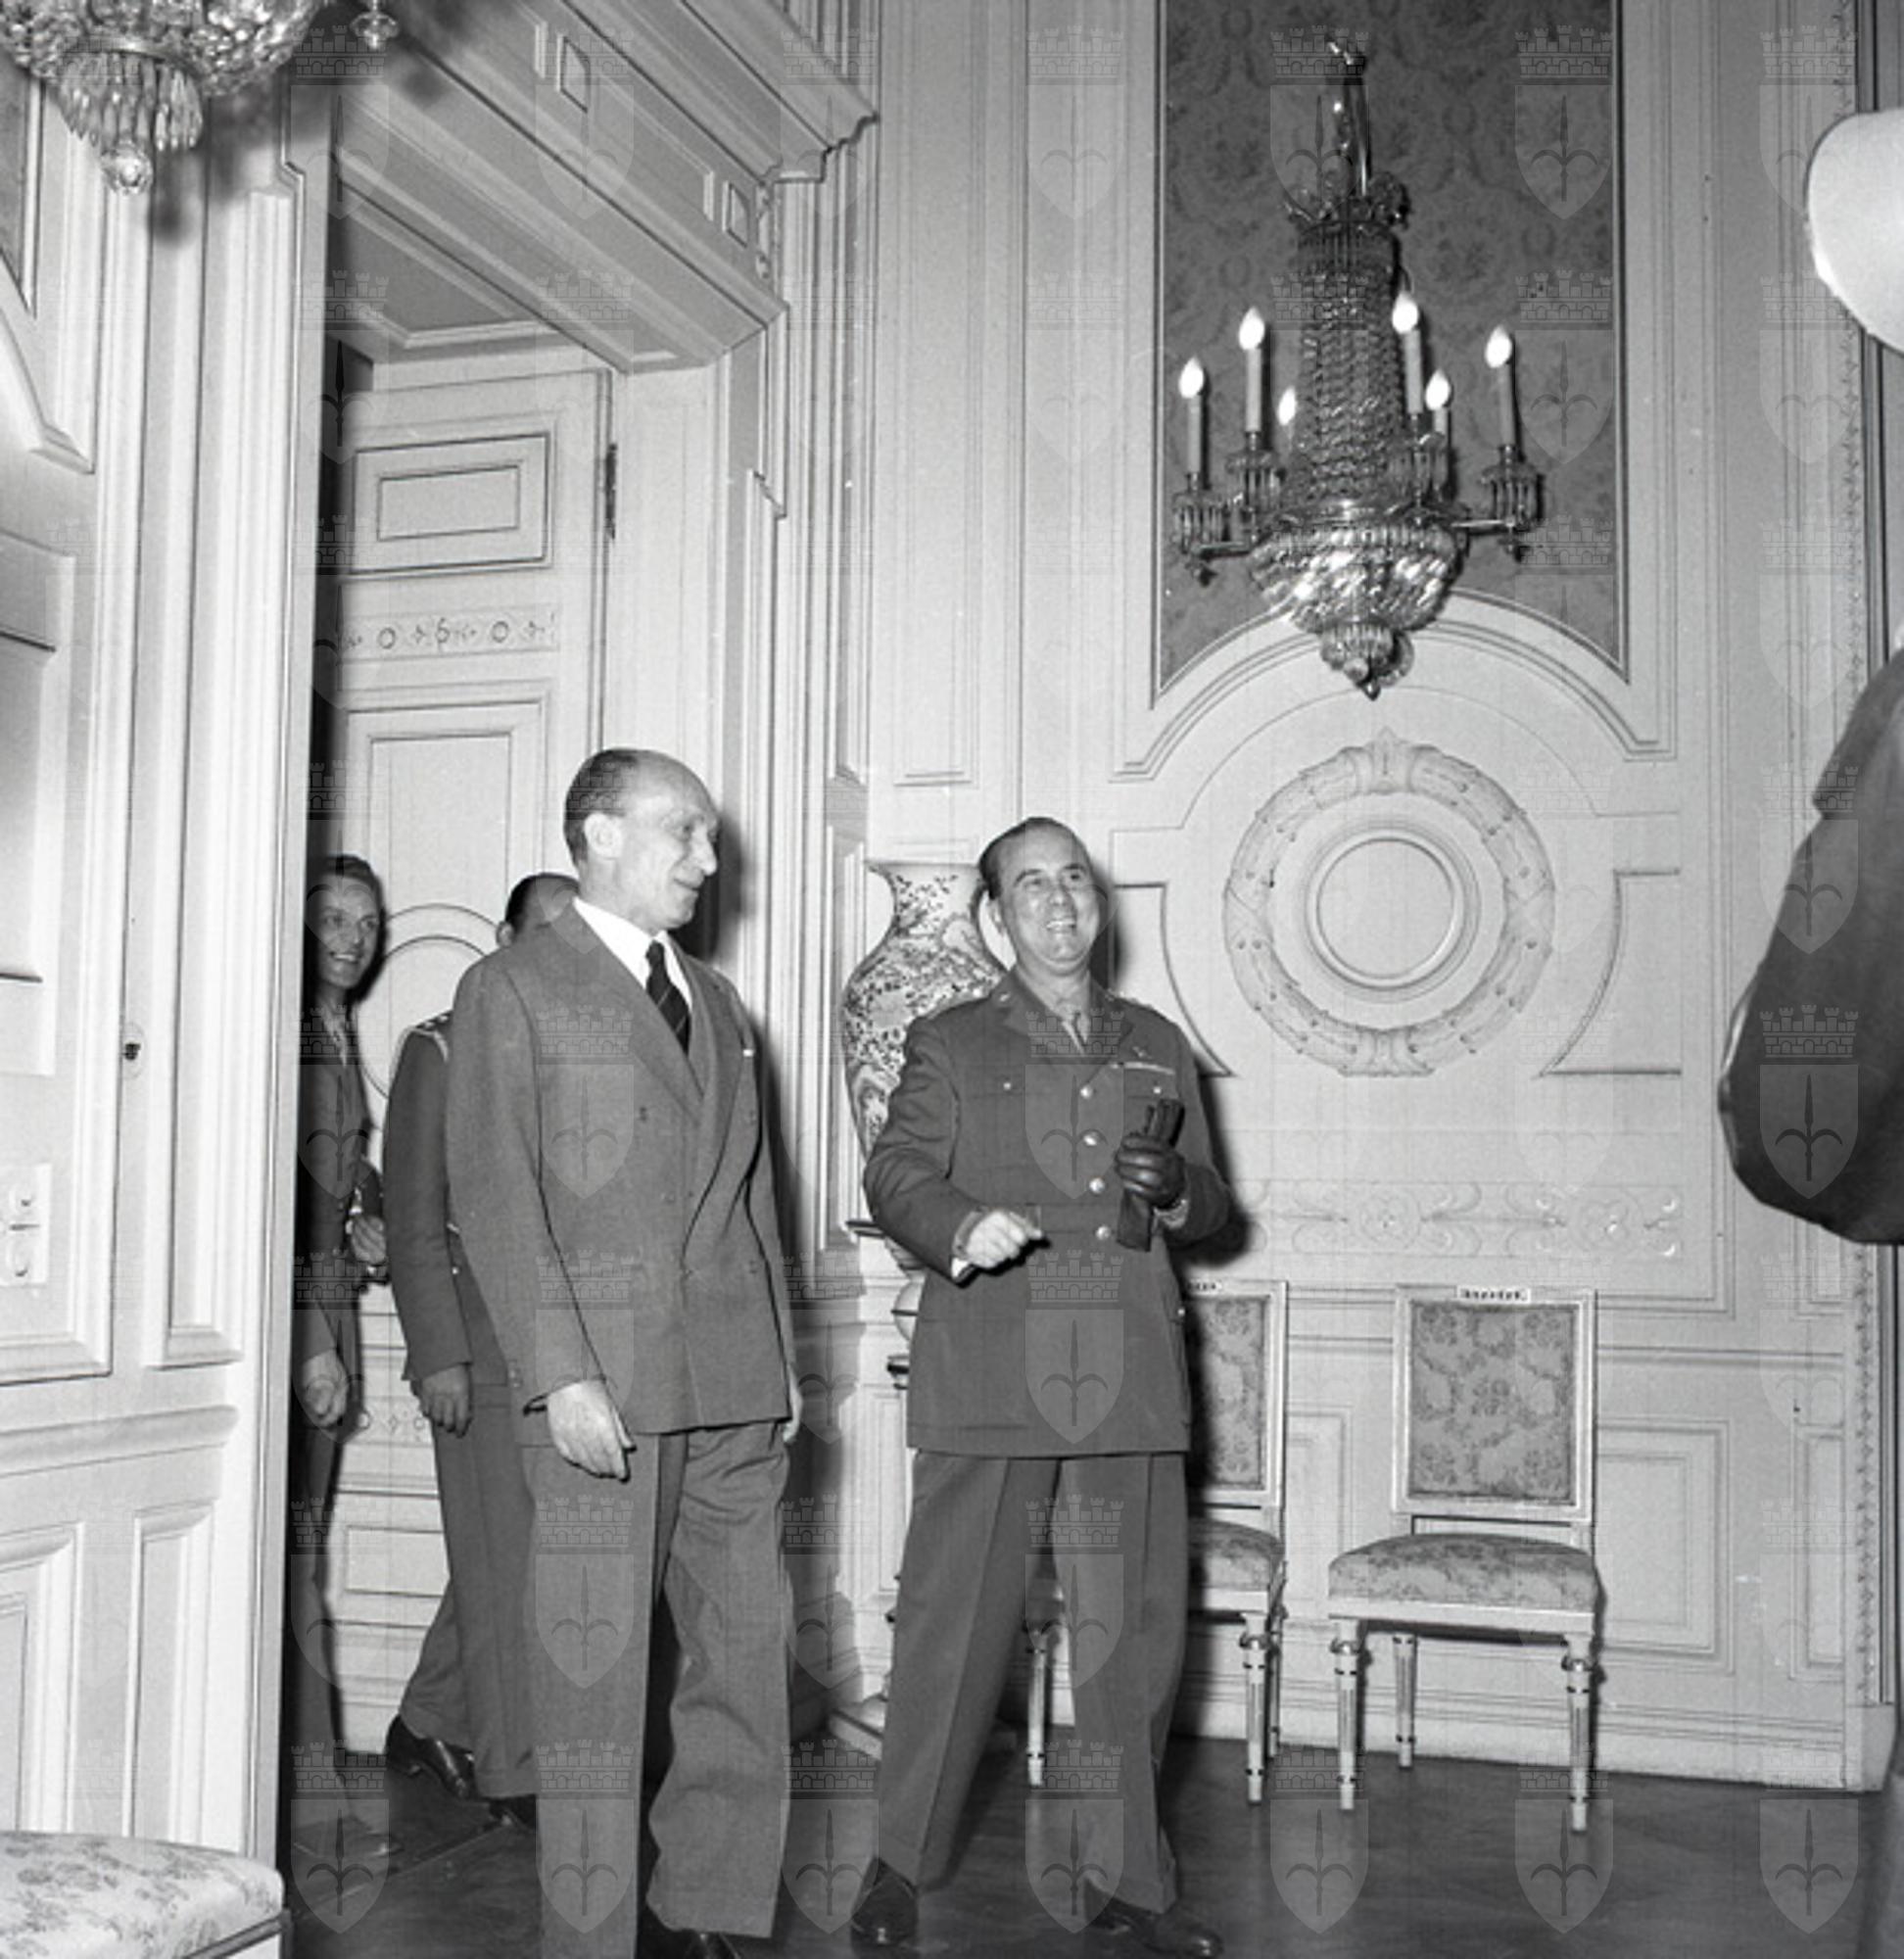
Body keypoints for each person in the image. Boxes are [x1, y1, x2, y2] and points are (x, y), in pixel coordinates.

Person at [851, 818, 1230, 1959]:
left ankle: (1133, 1881)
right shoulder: (951, 1038)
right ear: (994, 915)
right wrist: (959, 1221)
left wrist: (1181, 1190)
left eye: (1075, 879)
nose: (1059, 902)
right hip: (992, 1367)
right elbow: (895, 1169)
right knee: (951, 1629)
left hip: (1128, 1371)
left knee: (1132, 1641)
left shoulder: (1157, 1039)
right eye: (1031, 885)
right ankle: (895, 1864)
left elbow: (1216, 1205)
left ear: (1097, 901)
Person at [446, 749, 798, 1959]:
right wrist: (562, 1372)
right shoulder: (513, 985)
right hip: (604, 1387)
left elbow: (753, 1198)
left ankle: (705, 1906)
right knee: (595, 1690)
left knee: (745, 1661)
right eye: (682, 831)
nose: (708, 857)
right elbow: (497, 1191)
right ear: (599, 834)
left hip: (732, 1386)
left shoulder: (720, 999)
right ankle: (589, 1938)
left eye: (710, 835)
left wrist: (780, 1370)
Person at [383, 872, 577, 1830]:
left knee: (514, 1555)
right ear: (502, 937)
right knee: (506, 1568)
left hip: (568, 1352)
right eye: (542, 934)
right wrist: (439, 1355)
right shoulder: (442, 1047)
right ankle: (516, 1773)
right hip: (479, 1349)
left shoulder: (585, 1043)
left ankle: (428, 1719)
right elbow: (413, 1215)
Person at [285, 854, 391, 1847]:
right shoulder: (286, 1032)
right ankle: (305, 1795)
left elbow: (339, 1177)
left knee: (301, 1553)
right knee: (290, 1560)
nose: (353, 939)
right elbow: (281, 1204)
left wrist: (372, 1211)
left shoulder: (334, 1026)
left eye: (366, 922)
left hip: (330, 1306)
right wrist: (313, 1343)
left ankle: (304, 1788)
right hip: (297, 1322)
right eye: (333, 920)